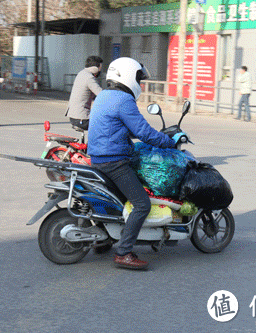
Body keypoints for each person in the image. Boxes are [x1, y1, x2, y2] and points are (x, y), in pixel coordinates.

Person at [87, 57, 177, 270]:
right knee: (142, 203)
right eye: (139, 78)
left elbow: (120, 128)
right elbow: (144, 132)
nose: (141, 84)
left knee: (117, 202)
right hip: (113, 162)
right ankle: (124, 252)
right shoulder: (123, 100)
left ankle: (103, 239)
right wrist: (169, 142)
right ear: (128, 75)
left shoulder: (103, 96)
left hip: (99, 158)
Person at [65, 56, 104, 131]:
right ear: (95, 68)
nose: (100, 71)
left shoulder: (81, 73)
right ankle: (95, 143)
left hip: (74, 117)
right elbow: (101, 94)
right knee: (107, 124)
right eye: (100, 68)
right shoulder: (89, 78)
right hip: (82, 119)